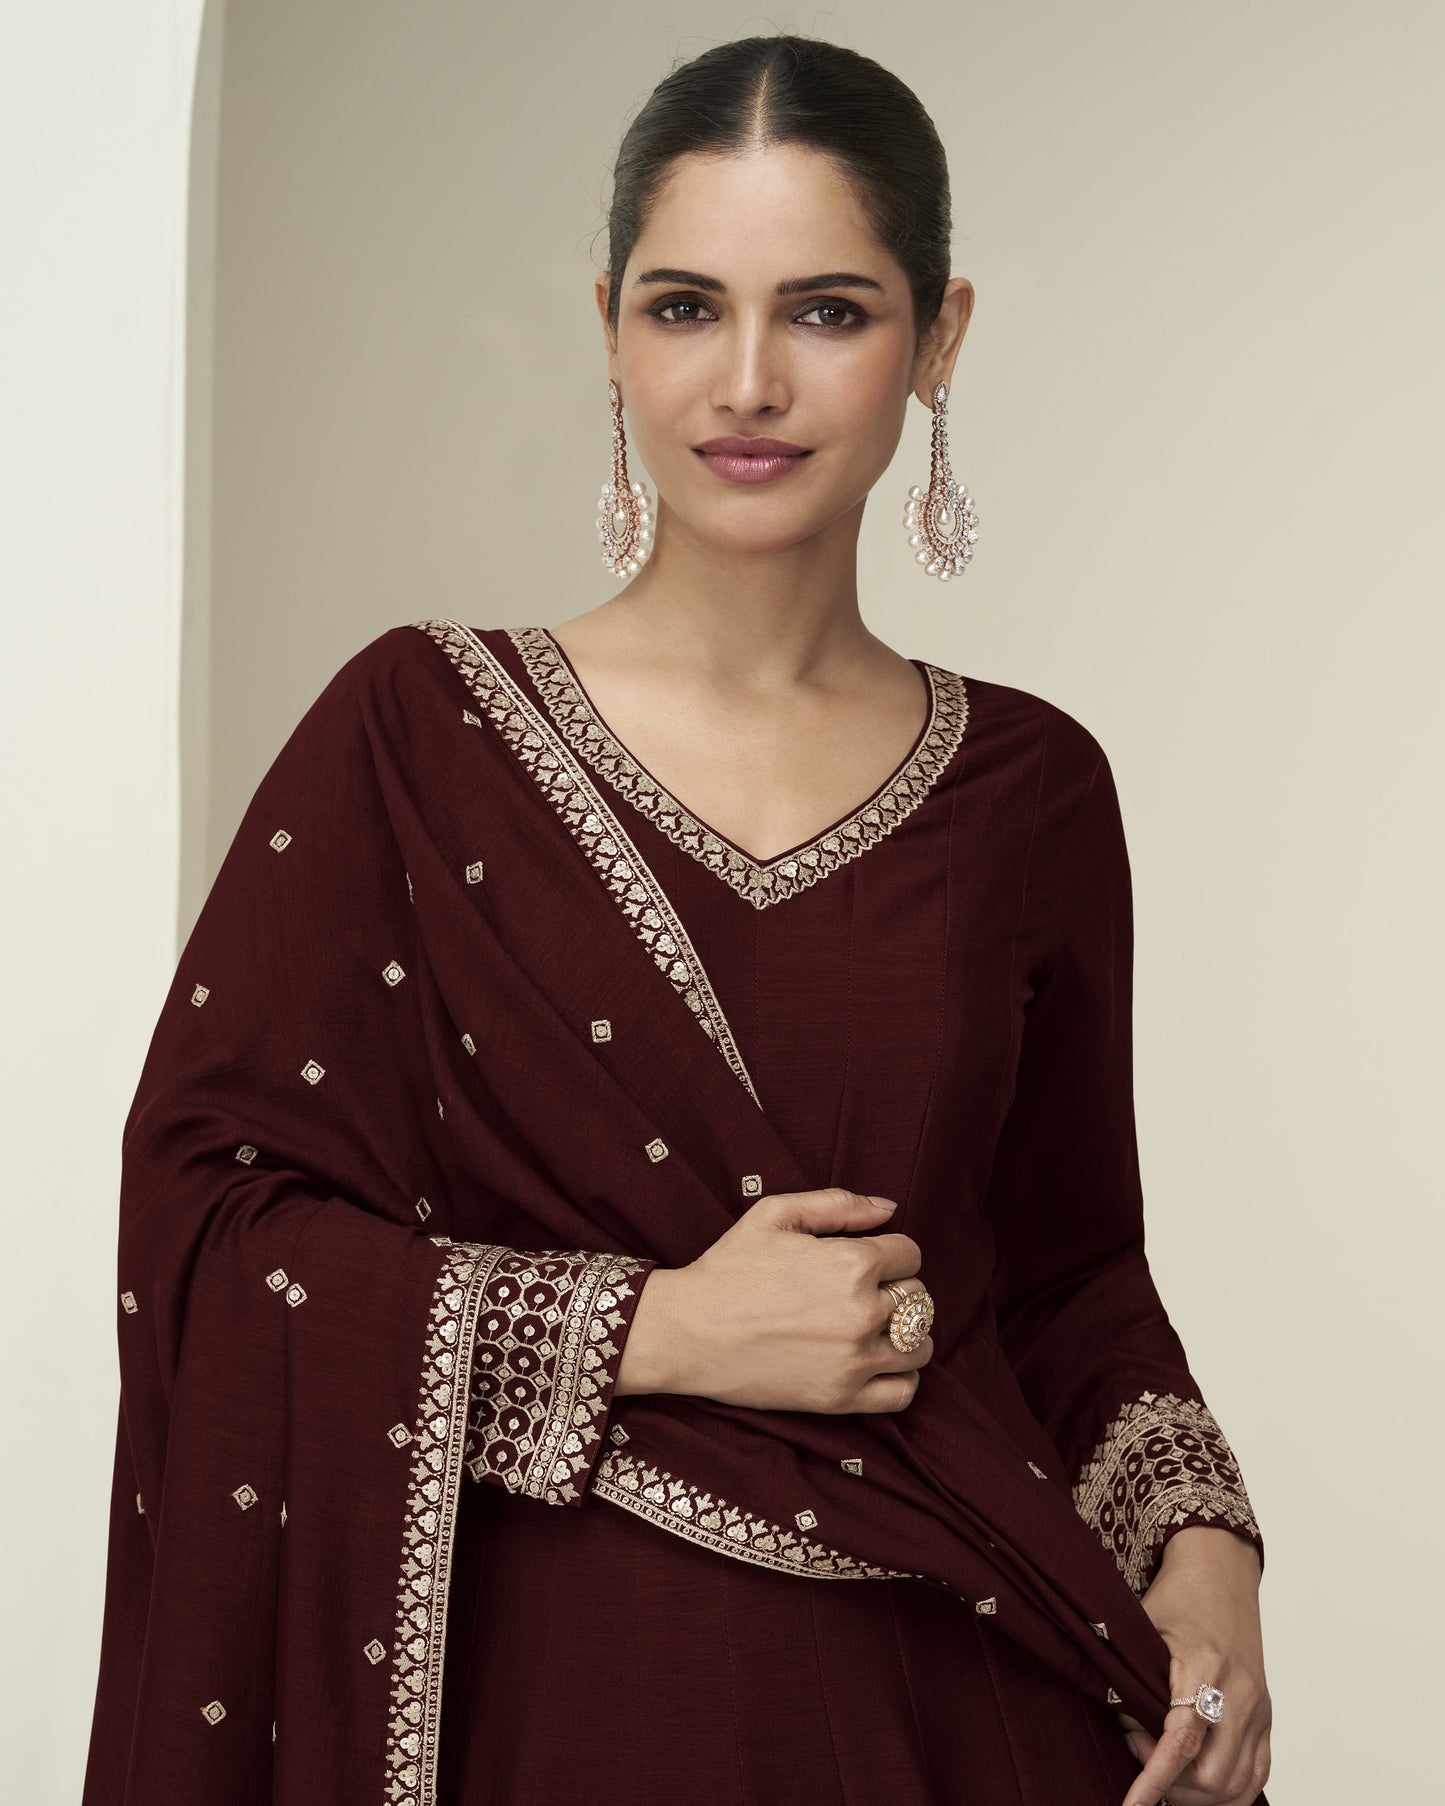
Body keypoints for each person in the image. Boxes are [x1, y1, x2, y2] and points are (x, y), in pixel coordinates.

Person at [82, 32, 1272, 1806]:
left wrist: (1207, 1554)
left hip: (958, 1709)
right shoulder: (418, 734)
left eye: (828, 312)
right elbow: (209, 1224)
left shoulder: (1027, 784)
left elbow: (1069, 1270)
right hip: (560, 1714)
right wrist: (659, 1328)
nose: (747, 381)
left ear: (939, 338)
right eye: (684, 307)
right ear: (608, 328)